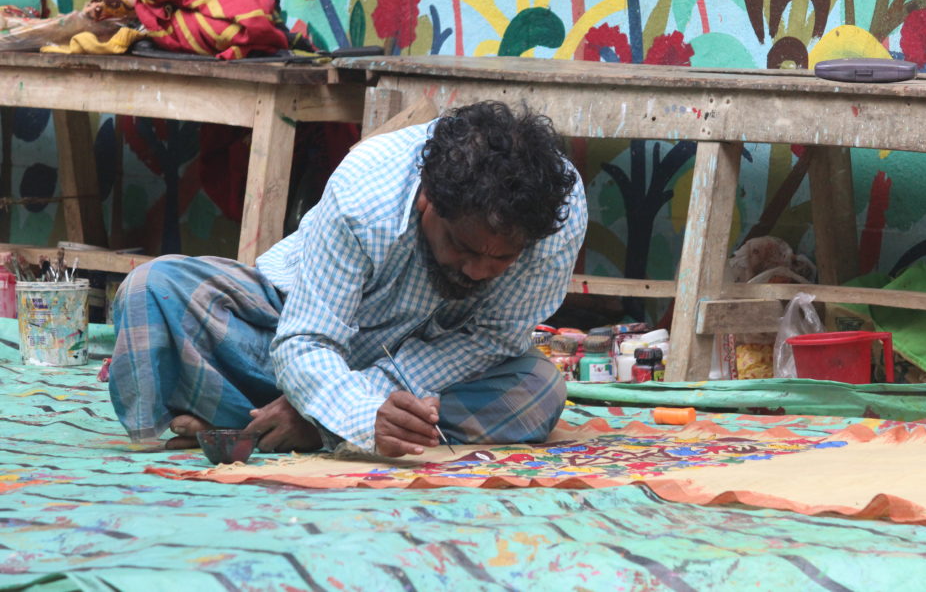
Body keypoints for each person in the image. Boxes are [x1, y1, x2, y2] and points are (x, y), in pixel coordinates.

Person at [108, 100, 587, 457]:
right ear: (429, 202)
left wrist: (342, 414)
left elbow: (489, 342)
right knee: (153, 289)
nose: (479, 271)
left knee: (539, 389)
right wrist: (354, 411)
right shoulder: (366, 189)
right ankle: (281, 418)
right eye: (462, 247)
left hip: (429, 374)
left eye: (501, 259)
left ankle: (255, 423)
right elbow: (305, 340)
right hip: (287, 327)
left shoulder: (554, 224)